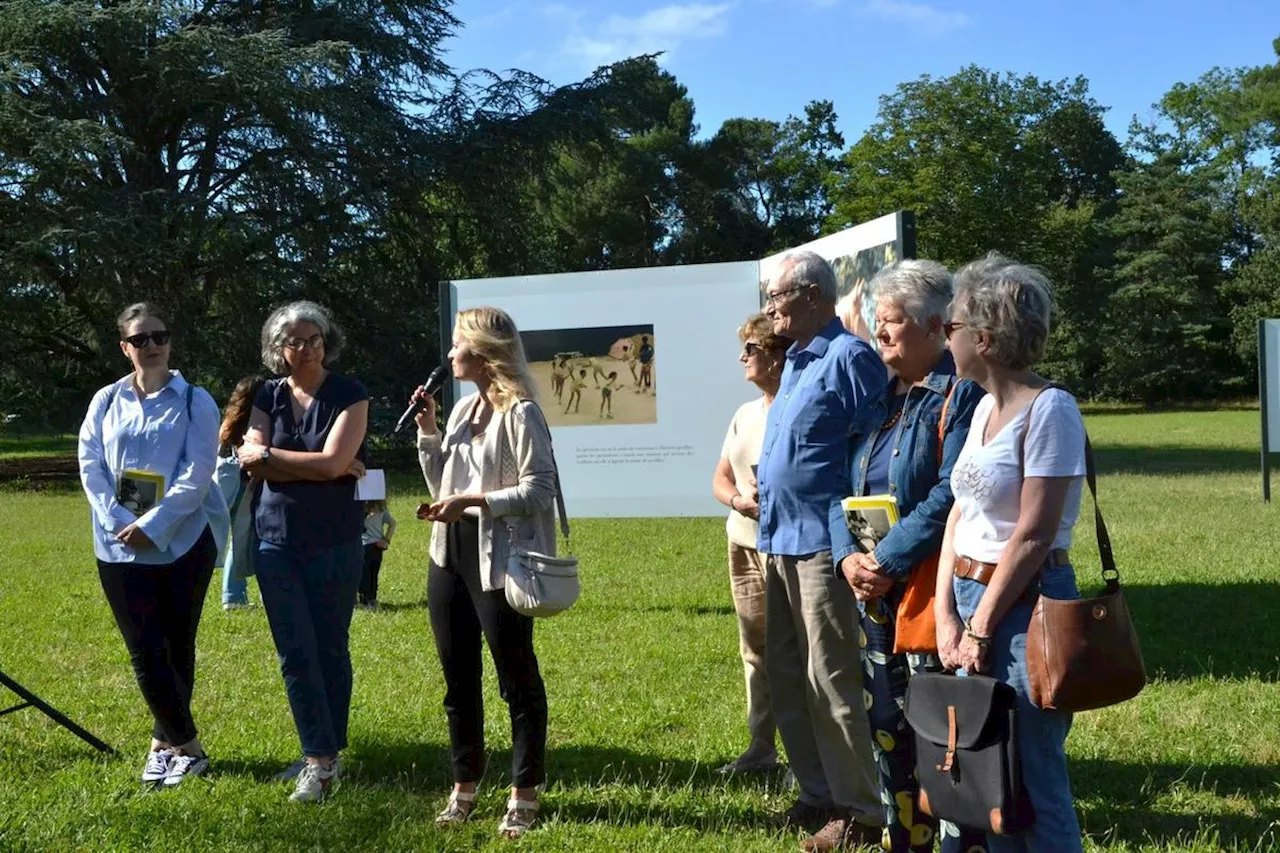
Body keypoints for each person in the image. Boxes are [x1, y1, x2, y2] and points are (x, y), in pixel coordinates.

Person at [826, 261, 988, 853]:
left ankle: (957, 842)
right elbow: (839, 487)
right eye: (877, 322)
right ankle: (905, 841)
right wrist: (849, 557)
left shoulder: (962, 394)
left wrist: (887, 558)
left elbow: (954, 492)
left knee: (940, 732)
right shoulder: (874, 400)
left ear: (934, 327)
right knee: (887, 730)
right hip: (874, 596)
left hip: (930, 593)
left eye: (892, 322)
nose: (879, 334)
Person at [937, 253, 1087, 852]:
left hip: (1029, 606)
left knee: (1036, 775)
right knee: (991, 777)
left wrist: (979, 626)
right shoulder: (980, 409)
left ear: (985, 336)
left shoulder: (1051, 410)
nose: (946, 338)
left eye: (951, 327)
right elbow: (959, 511)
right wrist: (949, 615)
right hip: (977, 602)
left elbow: (1032, 533)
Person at [755, 251, 888, 851]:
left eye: (776, 296)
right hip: (776, 541)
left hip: (821, 546)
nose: (769, 308)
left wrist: (860, 546)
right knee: (786, 678)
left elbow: (873, 454)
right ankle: (817, 795)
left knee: (830, 678)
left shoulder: (850, 357)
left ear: (812, 295)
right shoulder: (795, 365)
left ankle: (861, 811)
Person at [413, 306, 557, 839]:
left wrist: (473, 501)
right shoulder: (460, 412)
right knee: (457, 677)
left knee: (515, 675)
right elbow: (438, 486)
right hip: (447, 551)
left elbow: (538, 489)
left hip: (499, 554)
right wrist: (429, 432)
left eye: (457, 345)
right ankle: (465, 784)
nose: (449, 355)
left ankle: (524, 791)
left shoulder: (521, 413)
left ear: (483, 351)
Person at [77, 302, 228, 787]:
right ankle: (191, 747)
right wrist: (121, 520)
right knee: (145, 649)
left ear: (170, 341)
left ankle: (164, 746)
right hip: (118, 545)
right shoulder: (105, 400)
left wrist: (156, 524)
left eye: (159, 336)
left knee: (177, 646)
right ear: (125, 348)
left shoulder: (194, 401)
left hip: (182, 543)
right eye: (140, 339)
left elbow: (198, 472)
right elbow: (90, 464)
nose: (152, 346)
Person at [237, 300, 369, 803]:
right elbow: (253, 464)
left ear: (326, 342)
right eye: (295, 341)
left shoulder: (349, 393)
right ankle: (317, 756)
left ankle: (326, 753)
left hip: (335, 540)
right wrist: (309, 465)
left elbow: (335, 463)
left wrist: (272, 457)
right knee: (295, 653)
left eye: (314, 339)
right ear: (279, 348)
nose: (307, 348)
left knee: (329, 647)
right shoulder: (267, 394)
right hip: (275, 542)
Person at [710, 313, 790, 775]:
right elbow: (719, 479)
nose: (743, 358)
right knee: (753, 648)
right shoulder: (744, 413)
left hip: (784, 546)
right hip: (741, 540)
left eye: (751, 350)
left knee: (793, 651)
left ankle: (809, 756)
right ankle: (761, 747)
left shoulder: (797, 408)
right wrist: (739, 501)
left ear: (777, 356)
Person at [214, 375, 266, 611]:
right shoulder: (255, 423)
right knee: (245, 541)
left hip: (227, 486)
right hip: (247, 486)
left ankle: (233, 595)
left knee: (237, 541)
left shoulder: (229, 420)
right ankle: (234, 597)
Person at [359, 499, 397, 609]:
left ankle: (363, 601)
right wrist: (386, 539)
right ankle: (372, 599)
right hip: (377, 546)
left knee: (363, 575)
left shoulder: (359, 508)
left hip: (364, 545)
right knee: (373, 574)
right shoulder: (380, 507)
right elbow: (392, 523)